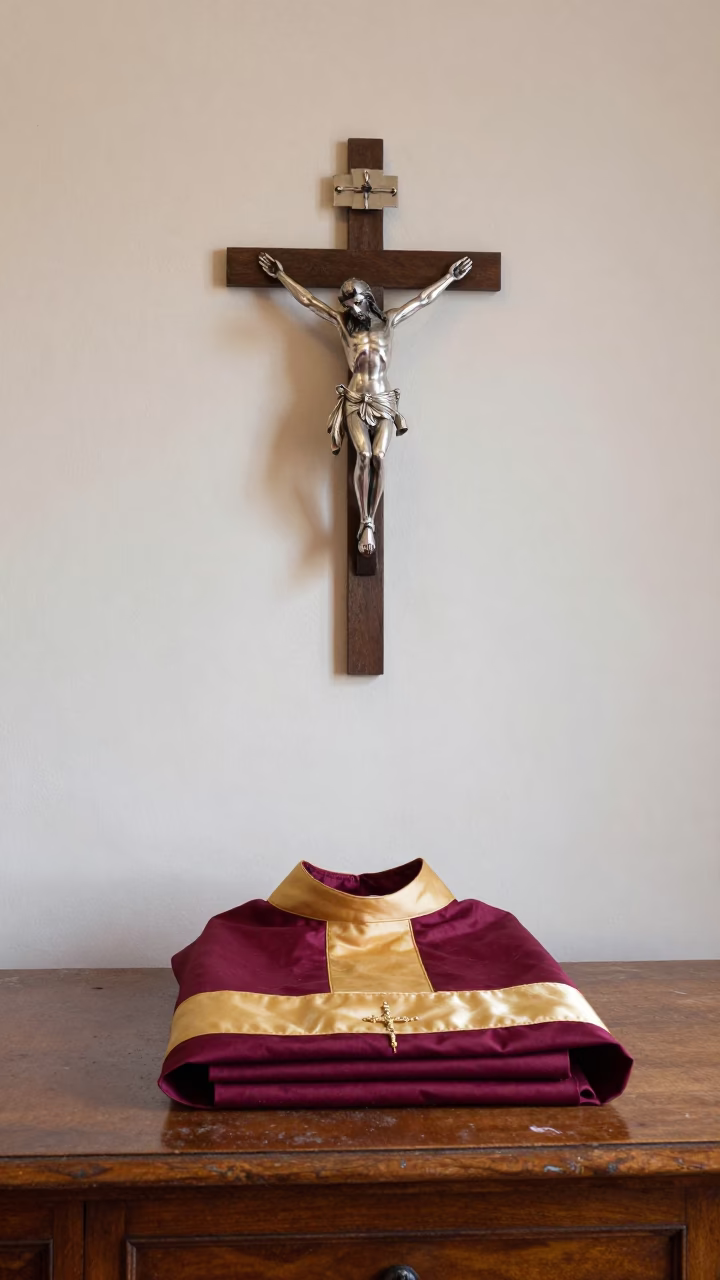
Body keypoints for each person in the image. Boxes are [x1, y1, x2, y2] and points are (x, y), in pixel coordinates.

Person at [259, 252, 472, 556]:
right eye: (348, 306)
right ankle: (367, 521)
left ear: (368, 299)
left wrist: (450, 277)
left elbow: (423, 300)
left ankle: (368, 519)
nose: (354, 310)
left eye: (357, 303)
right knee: (363, 453)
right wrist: (281, 275)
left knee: (380, 457)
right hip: (356, 399)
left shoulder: (389, 321)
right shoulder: (343, 325)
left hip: (383, 399)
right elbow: (308, 301)